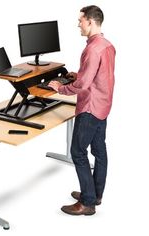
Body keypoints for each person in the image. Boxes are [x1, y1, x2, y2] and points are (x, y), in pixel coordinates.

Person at [49, 5, 115, 215]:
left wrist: (60, 88)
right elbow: (97, 76)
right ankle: (95, 194)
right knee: (99, 151)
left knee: (77, 152)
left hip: (90, 108)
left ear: (91, 21)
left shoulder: (92, 49)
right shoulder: (106, 45)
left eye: (81, 20)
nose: (78, 24)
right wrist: (78, 75)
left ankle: (87, 203)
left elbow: (84, 85)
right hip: (103, 105)